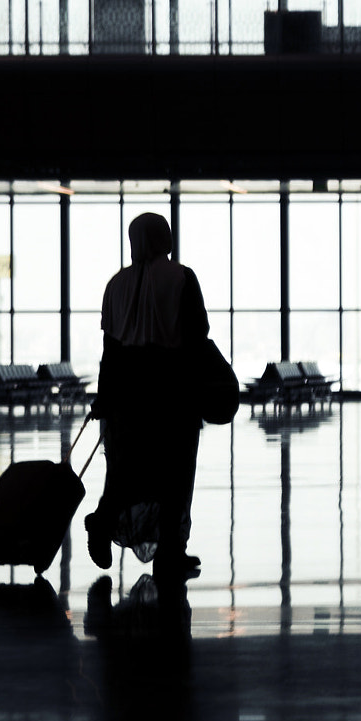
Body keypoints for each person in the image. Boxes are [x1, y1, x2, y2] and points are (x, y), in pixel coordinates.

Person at [84, 212, 209, 590]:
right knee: (175, 472)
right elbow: (197, 334)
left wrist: (104, 399)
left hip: (126, 390)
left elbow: (110, 349)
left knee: (126, 469)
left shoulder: (115, 285)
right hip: (171, 387)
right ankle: (171, 553)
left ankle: (104, 520)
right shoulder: (182, 278)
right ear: (165, 238)